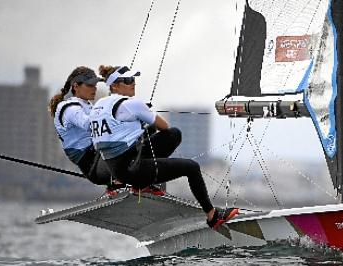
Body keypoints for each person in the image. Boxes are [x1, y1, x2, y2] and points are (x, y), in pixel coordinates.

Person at [90, 65, 238, 229]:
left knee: (174, 134)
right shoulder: (131, 105)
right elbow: (164, 126)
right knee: (191, 167)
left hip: (115, 169)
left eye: (133, 80)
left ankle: (139, 184)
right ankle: (213, 216)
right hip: (132, 170)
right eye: (128, 80)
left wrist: (139, 120)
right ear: (115, 86)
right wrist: (144, 113)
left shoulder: (99, 105)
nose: (133, 83)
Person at [49, 67, 117, 188]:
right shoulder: (70, 108)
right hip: (93, 165)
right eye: (90, 85)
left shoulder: (85, 104)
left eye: (95, 85)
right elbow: (89, 125)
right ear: (76, 86)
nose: (94, 88)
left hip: (99, 157)